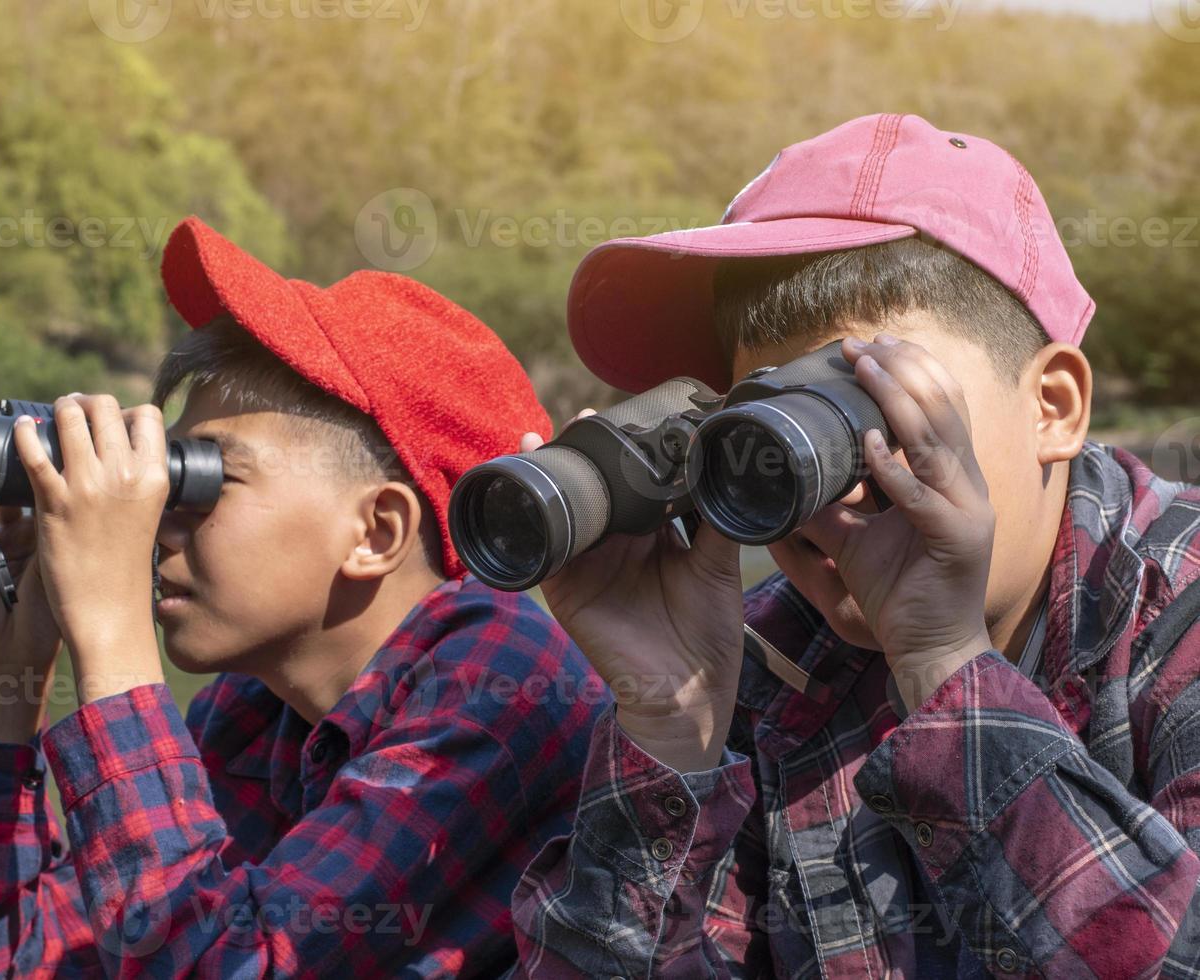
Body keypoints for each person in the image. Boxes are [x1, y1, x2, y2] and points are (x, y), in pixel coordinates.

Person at [511, 113, 1200, 977]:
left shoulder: (1178, 609)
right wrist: (669, 726)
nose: (830, 484)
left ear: (1052, 407)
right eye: (768, 429)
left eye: (868, 414)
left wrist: (946, 665)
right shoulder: (773, 657)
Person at [0, 216, 603, 977]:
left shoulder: (499, 679)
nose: (155, 522)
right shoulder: (254, 717)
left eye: (204, 479)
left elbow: (221, 964)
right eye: (169, 475)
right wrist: (3, 683)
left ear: (376, 531)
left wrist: (109, 633)